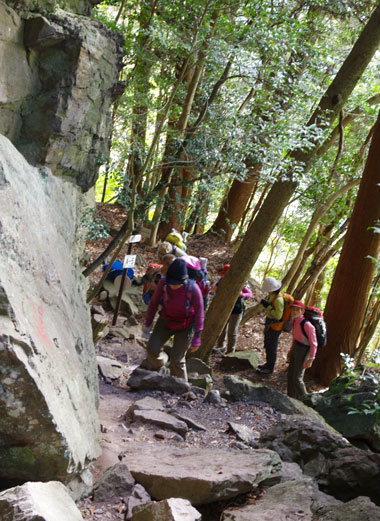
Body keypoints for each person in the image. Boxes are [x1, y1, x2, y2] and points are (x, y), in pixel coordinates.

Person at [141, 258, 204, 381]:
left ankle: (182, 389)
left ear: (185, 280)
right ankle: (162, 364)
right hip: (165, 320)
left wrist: (197, 337)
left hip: (186, 326)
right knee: (152, 349)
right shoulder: (164, 283)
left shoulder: (193, 289)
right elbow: (153, 303)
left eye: (177, 284)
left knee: (177, 360)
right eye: (172, 283)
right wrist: (148, 323)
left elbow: (200, 313)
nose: (174, 286)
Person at [214, 264, 253, 354]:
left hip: (236, 310)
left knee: (232, 331)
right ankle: (221, 346)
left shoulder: (240, 282)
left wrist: (242, 294)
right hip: (224, 308)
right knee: (222, 328)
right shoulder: (222, 280)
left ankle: (230, 351)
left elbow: (250, 294)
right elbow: (214, 288)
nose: (223, 275)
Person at [287, 300, 317, 400]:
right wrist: (291, 350)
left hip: (304, 350)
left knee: (297, 378)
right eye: (293, 309)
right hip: (296, 346)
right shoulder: (294, 320)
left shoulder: (307, 325)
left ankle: (306, 400)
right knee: (290, 374)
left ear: (302, 311)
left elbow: (313, 343)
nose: (294, 312)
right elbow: (295, 337)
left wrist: (311, 359)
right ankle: (291, 397)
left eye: (297, 310)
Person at [256, 276, 285, 374]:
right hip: (270, 324)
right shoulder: (272, 296)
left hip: (275, 326)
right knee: (268, 345)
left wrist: (267, 306)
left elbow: (278, 316)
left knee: (272, 347)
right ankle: (267, 364)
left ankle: (270, 368)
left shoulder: (278, 300)